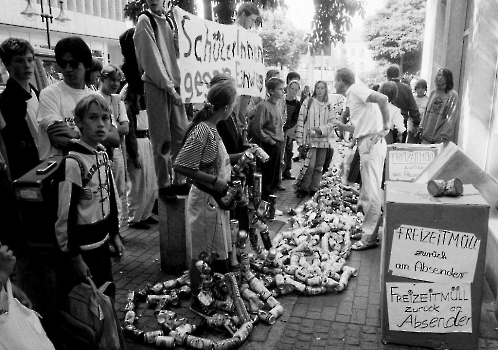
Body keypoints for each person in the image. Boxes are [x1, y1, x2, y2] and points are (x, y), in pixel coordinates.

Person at [173, 83, 237, 315]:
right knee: (200, 255)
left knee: (209, 253)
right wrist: (214, 182)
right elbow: (180, 164)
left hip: (213, 201)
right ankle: (197, 299)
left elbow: (212, 160)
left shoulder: (212, 128)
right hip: (204, 200)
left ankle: (206, 292)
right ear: (227, 107)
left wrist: (239, 157)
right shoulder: (202, 130)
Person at [54, 94, 125, 301]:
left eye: (105, 118)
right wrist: (73, 256)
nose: (101, 124)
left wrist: (115, 234)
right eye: (93, 118)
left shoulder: (102, 154)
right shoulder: (73, 163)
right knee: (87, 303)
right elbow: (64, 215)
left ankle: (109, 332)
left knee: (106, 293)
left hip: (102, 242)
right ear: (78, 122)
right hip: (83, 249)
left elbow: (109, 197)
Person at [134, 0, 189, 202]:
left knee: (181, 135)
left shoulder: (170, 20)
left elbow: (180, 52)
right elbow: (150, 58)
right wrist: (168, 87)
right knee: (162, 138)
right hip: (158, 85)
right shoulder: (144, 20)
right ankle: (164, 184)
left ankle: (179, 179)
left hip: (175, 85)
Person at [37, 36, 120, 161]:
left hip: (91, 170)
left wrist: (75, 133)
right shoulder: (49, 94)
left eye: (74, 64)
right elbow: (58, 140)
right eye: (63, 64)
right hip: (60, 171)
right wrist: (95, 136)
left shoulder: (96, 97)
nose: (68, 69)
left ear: (86, 65)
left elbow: (114, 138)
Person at [333, 68, 390, 251]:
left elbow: (383, 99)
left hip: (371, 143)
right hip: (367, 142)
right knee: (367, 191)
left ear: (340, 80)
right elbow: (361, 127)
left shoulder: (356, 90)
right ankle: (368, 231)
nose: (334, 84)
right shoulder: (354, 94)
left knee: (372, 192)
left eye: (335, 81)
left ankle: (370, 237)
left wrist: (386, 126)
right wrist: (343, 126)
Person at [213, 74, 257, 232]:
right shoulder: (216, 121)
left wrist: (245, 146)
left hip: (235, 179)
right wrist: (243, 155)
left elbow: (233, 145)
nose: (237, 96)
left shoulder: (229, 116)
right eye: (234, 91)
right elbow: (219, 157)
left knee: (239, 223)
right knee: (230, 226)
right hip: (224, 182)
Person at [97, 64, 130, 229]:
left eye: (118, 80)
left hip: (117, 149)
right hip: (101, 149)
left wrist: (113, 130)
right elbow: (117, 128)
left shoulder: (117, 99)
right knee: (105, 190)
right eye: (111, 79)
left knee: (119, 190)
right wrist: (115, 130)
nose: (115, 84)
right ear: (102, 79)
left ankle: (115, 229)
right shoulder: (95, 97)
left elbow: (126, 128)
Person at [122, 83, 158, 230]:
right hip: (136, 143)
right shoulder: (129, 106)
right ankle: (134, 218)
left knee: (150, 181)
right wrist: (134, 154)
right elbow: (130, 133)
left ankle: (145, 214)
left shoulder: (143, 103)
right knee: (137, 183)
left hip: (145, 142)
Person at [294, 81, 335, 198]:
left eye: (322, 88)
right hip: (310, 139)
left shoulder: (329, 105)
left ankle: (314, 188)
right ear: (315, 89)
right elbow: (301, 119)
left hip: (323, 140)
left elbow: (332, 122)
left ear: (326, 90)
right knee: (309, 165)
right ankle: (304, 187)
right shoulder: (308, 102)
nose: (320, 90)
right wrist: (300, 139)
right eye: (318, 88)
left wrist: (320, 129)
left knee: (319, 166)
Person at [251, 78, 285, 201]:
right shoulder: (264, 106)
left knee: (275, 174)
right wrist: (269, 140)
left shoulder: (278, 105)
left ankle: (270, 202)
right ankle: (264, 202)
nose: (283, 92)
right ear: (271, 91)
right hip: (271, 145)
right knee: (268, 175)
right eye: (280, 89)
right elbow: (256, 128)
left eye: (283, 89)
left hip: (278, 143)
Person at [233, 2, 261, 134]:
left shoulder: (250, 38)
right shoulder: (228, 32)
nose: (252, 24)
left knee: (240, 120)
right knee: (231, 119)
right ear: (243, 15)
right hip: (232, 85)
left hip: (246, 86)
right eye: (252, 20)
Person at [419, 68, 459, 145]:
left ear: (448, 78)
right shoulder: (433, 92)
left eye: (443, 76)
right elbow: (426, 112)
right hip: (426, 135)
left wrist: (444, 135)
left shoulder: (453, 95)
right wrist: (421, 127)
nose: (439, 78)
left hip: (440, 139)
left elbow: (451, 117)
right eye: (439, 75)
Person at [386, 65, 420, 143]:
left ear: (387, 75)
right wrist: (416, 123)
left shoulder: (383, 88)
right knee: (399, 151)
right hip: (401, 123)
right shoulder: (406, 88)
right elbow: (413, 107)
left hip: (385, 123)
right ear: (398, 74)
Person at [282, 79, 301, 181]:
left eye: (296, 90)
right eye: (292, 89)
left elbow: (295, 119)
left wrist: (291, 132)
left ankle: (286, 171)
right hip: (280, 129)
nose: (293, 91)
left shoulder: (297, 103)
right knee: (281, 152)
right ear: (288, 88)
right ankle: (279, 172)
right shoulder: (282, 100)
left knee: (288, 151)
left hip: (289, 130)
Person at [410, 78, 429, 143]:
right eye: (418, 88)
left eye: (422, 88)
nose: (420, 90)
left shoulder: (428, 100)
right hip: (412, 126)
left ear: (425, 89)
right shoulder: (412, 99)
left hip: (423, 127)